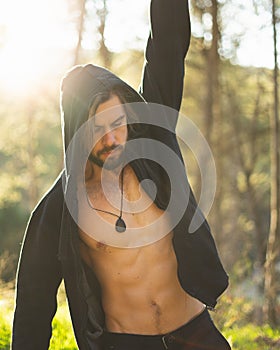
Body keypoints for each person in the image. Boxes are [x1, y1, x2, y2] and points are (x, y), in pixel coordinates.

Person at [12, 1, 231, 349]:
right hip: (127, 342)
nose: (114, 138)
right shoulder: (59, 209)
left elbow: (168, 46)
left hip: (195, 333)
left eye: (118, 123)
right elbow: (32, 307)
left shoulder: (155, 142)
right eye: (99, 130)